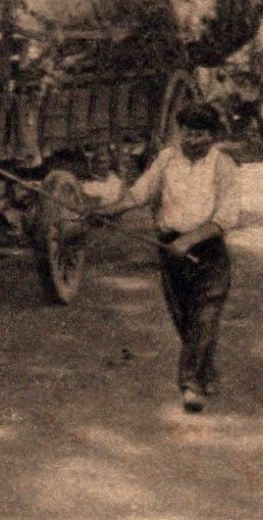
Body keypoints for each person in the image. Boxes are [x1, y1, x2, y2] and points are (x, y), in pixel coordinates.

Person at [93, 103, 240, 413]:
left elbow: (225, 216)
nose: (190, 140)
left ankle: (190, 385)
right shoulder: (166, 159)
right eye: (185, 132)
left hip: (208, 251)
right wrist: (107, 212)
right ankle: (205, 371)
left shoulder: (223, 166)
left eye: (198, 134)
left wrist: (189, 240)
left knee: (205, 316)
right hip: (170, 250)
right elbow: (140, 193)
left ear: (212, 137)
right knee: (185, 320)